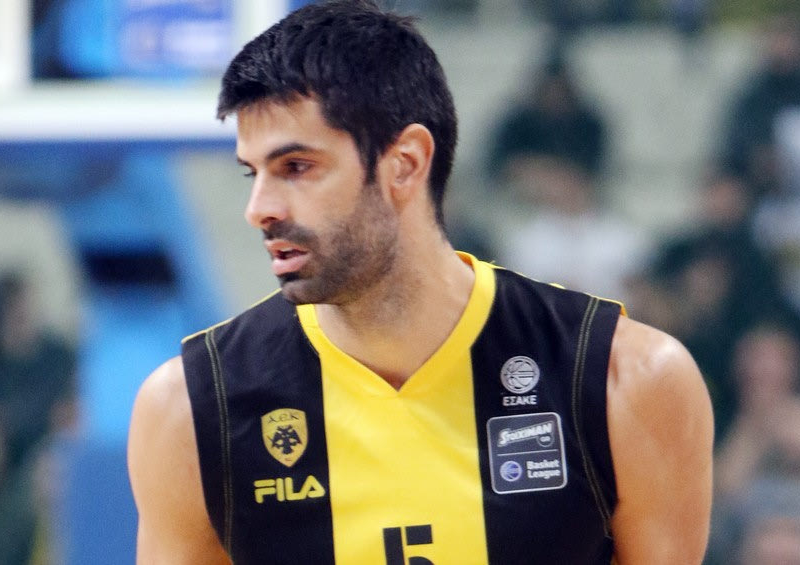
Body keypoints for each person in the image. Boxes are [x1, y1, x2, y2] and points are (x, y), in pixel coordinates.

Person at [127, 1, 713, 563]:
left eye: (296, 167)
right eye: (252, 173)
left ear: (404, 163)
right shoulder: (190, 410)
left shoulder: (625, 379)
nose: (259, 208)